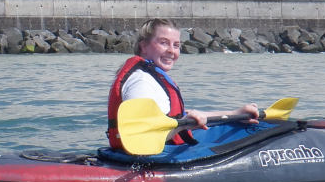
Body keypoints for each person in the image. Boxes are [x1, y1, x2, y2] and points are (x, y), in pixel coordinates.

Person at [107, 18, 259, 151]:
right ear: (144, 47)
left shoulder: (152, 77)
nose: (171, 51)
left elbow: (179, 116)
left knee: (244, 127)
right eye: (163, 43)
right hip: (153, 160)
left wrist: (235, 114)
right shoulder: (141, 82)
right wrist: (184, 126)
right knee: (255, 136)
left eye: (176, 45)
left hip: (166, 150)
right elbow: (140, 136)